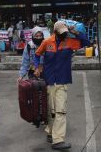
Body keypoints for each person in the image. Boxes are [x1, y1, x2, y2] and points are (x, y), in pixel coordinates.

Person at [34, 21, 89, 150]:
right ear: (55, 32)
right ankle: (51, 132)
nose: (64, 35)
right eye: (61, 33)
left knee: (60, 110)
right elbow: (37, 54)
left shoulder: (70, 42)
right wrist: (37, 67)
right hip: (49, 81)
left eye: (65, 32)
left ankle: (58, 140)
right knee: (51, 110)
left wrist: (75, 32)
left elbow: (86, 43)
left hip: (62, 81)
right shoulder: (47, 42)